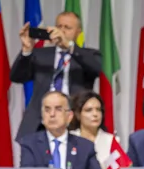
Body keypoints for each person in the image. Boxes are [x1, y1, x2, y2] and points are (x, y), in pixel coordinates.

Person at [12, 11, 103, 139]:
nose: (62, 31)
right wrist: (26, 50)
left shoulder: (88, 55)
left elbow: (97, 69)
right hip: (39, 124)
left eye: (68, 28)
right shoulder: (40, 54)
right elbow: (17, 77)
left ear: (78, 32)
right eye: (59, 26)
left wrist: (70, 47)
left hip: (74, 123)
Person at [18, 91, 102, 169]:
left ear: (69, 116)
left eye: (58, 109)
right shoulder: (30, 144)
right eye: (47, 110)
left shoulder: (85, 147)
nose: (52, 114)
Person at [70, 91, 123, 169]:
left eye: (98, 110)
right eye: (89, 110)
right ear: (78, 114)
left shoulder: (112, 141)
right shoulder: (70, 139)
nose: (95, 114)